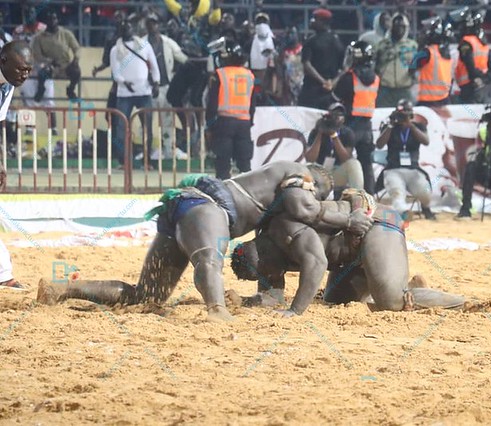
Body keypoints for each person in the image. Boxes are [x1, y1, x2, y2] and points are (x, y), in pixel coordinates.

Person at [37, 161, 374, 322]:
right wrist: (348, 218)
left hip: (186, 208)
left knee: (147, 295)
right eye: (317, 192)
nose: (315, 198)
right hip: (208, 207)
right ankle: (216, 310)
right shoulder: (297, 173)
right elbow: (305, 208)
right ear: (313, 180)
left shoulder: (273, 199)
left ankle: (63, 289)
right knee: (210, 258)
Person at [230, 189, 465, 316]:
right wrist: (247, 301)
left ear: (262, 259)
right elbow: (274, 298)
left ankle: (462, 304)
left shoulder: (287, 229)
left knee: (392, 303)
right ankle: (411, 286)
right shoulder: (265, 254)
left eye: (263, 274)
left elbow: (316, 264)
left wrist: (295, 310)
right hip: (350, 258)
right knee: (336, 301)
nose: (267, 277)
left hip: (376, 225)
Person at [0, 41, 32, 290]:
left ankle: (3, 274)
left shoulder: (8, 85)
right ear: (4, 62)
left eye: (29, 70)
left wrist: (0, 162)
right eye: (21, 69)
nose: (26, 75)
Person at [110, 19, 160, 167]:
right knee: (121, 128)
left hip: (144, 91)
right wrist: (124, 82)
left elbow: (154, 66)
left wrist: (156, 82)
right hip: (125, 93)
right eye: (123, 27)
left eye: (129, 27)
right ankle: (124, 161)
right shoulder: (115, 50)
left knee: (147, 127)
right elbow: (116, 71)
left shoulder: (144, 45)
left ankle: (147, 160)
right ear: (120, 30)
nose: (127, 29)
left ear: (133, 29)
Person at [375, 99, 436, 220]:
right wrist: (391, 125)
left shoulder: (418, 126)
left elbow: (426, 141)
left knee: (425, 193)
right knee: (397, 192)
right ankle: (404, 212)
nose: (404, 115)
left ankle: (426, 207)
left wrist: (410, 125)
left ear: (412, 114)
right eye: (402, 112)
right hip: (393, 168)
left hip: (413, 169)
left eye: (407, 112)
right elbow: (379, 144)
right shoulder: (389, 126)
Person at [334, 40, 379, 194]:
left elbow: (336, 95)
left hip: (350, 125)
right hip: (367, 126)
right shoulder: (376, 78)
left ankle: (338, 197)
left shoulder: (349, 77)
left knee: (341, 161)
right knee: (366, 164)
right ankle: (370, 198)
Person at [206, 41, 256, 180]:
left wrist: (209, 125)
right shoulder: (249, 75)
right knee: (245, 165)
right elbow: (253, 104)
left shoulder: (220, 74)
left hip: (224, 123)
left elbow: (212, 103)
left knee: (223, 163)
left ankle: (222, 195)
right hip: (244, 123)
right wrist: (250, 122)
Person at [144, 13, 189, 160]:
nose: (152, 26)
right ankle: (147, 152)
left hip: (165, 87)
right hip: (146, 88)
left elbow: (182, 57)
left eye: (155, 23)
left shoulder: (167, 42)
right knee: (146, 122)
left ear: (159, 25)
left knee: (167, 120)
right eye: (150, 23)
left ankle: (168, 150)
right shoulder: (141, 43)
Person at [305, 102, 364, 192]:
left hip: (336, 173)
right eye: (334, 114)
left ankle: (357, 197)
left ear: (344, 119)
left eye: (340, 115)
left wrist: (334, 135)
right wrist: (320, 133)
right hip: (319, 173)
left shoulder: (347, 133)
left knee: (354, 164)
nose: (337, 117)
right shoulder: (316, 131)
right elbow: (310, 158)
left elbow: (345, 158)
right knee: (307, 167)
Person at [298, 8, 345, 110]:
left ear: (324, 22)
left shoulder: (311, 41)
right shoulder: (338, 41)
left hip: (311, 90)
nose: (312, 21)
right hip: (331, 90)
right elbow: (344, 68)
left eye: (315, 18)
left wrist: (323, 81)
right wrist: (332, 82)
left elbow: (307, 65)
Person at [31, 11, 81, 100]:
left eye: (54, 18)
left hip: (66, 66)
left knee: (77, 71)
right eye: (50, 19)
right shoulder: (38, 37)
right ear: (46, 21)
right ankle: (41, 90)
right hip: (50, 66)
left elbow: (76, 48)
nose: (53, 21)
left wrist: (76, 59)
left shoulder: (66, 33)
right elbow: (37, 55)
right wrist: (48, 61)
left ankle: (70, 89)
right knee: (42, 73)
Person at [373, 13, 417, 108]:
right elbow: (374, 66)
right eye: (396, 25)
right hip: (385, 90)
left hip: (405, 89)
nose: (399, 28)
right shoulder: (381, 45)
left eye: (402, 26)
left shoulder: (413, 46)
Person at [454, 9, 491, 104]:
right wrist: (485, 78)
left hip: (469, 85)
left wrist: (475, 78)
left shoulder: (466, 42)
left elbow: (469, 64)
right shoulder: (482, 42)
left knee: (468, 115)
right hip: (482, 84)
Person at [414, 17, 453, 107]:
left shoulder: (427, 52)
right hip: (444, 99)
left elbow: (412, 67)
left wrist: (420, 45)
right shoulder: (446, 52)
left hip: (427, 101)